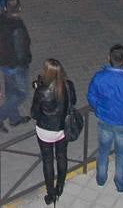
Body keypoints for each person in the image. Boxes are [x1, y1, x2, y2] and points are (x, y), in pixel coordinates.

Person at [87, 44, 123, 193]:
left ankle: (101, 178)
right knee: (122, 154)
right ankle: (120, 182)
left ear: (108, 58)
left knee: (103, 151)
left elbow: (91, 96)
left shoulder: (99, 77)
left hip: (105, 120)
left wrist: (99, 109)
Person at [30, 58, 76, 204]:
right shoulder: (68, 85)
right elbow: (73, 102)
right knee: (62, 156)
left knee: (48, 160)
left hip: (45, 131)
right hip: (62, 129)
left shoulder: (42, 91)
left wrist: (38, 90)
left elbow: (34, 113)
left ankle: (51, 194)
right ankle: (60, 186)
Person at [0, 0, 32, 130]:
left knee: (11, 91)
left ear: (5, 8)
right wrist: (26, 62)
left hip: (3, 61)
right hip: (16, 65)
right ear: (19, 8)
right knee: (21, 94)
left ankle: (14, 118)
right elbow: (21, 52)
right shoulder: (18, 27)